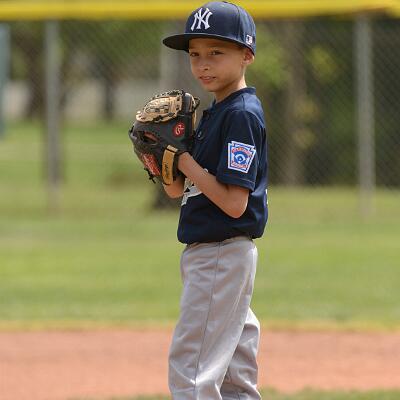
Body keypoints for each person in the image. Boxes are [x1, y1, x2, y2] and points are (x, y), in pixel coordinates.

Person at [162, 2, 268, 399]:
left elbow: (234, 203)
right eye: (195, 54)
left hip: (221, 252)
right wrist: (163, 162)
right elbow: (181, 192)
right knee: (234, 377)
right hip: (216, 254)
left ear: (246, 55)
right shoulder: (215, 113)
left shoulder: (241, 114)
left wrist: (184, 160)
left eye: (216, 52)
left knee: (192, 371)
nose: (203, 64)